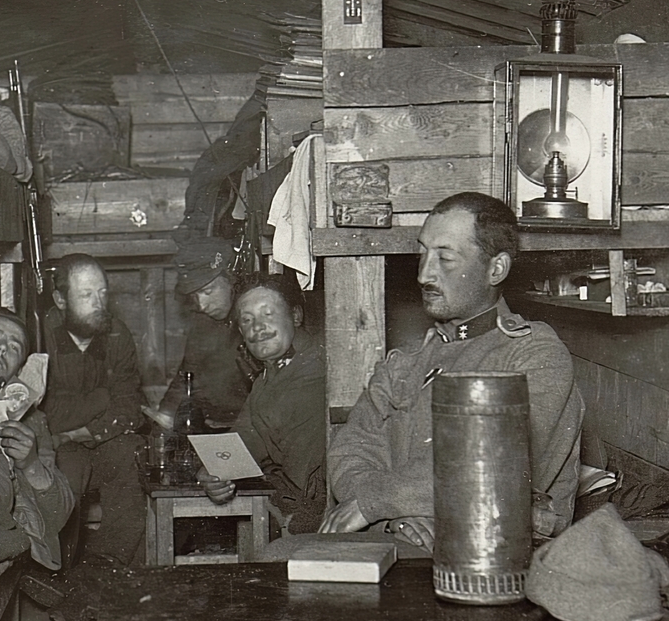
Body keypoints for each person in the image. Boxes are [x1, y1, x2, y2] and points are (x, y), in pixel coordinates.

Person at [323, 192, 584, 548]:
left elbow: (492, 466)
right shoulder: (407, 362)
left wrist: (377, 504)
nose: (424, 274)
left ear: (496, 269)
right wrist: (392, 520)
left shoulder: (534, 355)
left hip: (502, 554)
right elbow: (350, 450)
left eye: (444, 257)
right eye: (423, 253)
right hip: (399, 539)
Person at [0, 306, 75, 578]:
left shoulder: (31, 422)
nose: (2, 348)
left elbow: (58, 515)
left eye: (14, 345)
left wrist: (30, 464)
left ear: (19, 368)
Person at [202, 275, 327, 534]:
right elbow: (244, 439)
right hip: (293, 510)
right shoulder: (269, 377)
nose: (257, 327)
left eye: (268, 314)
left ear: (295, 316)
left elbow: (304, 489)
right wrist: (211, 473)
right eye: (247, 320)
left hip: (319, 520)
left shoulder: (315, 372)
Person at [43, 253, 146, 565]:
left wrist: (80, 431)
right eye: (86, 295)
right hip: (57, 448)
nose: (98, 303)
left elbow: (128, 408)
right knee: (64, 473)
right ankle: (61, 571)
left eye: (102, 293)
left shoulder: (117, 334)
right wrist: (102, 398)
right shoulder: (40, 334)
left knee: (131, 454)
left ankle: (110, 565)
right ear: (61, 300)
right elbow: (47, 413)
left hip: (100, 439)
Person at [156, 236, 255, 428]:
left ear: (231, 279)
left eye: (208, 291)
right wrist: (165, 414)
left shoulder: (257, 318)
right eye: (195, 296)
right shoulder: (202, 322)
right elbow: (187, 374)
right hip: (213, 425)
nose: (202, 305)